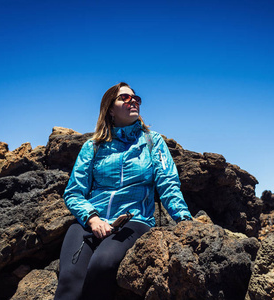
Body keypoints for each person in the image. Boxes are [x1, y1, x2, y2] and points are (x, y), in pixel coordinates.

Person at [54, 82, 192, 300]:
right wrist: (92, 219)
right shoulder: (93, 146)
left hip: (133, 221)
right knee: (69, 280)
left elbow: (168, 185)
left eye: (136, 98)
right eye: (125, 98)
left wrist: (185, 221)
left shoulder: (152, 141)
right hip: (90, 221)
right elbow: (74, 192)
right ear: (110, 109)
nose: (133, 101)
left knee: (103, 264)